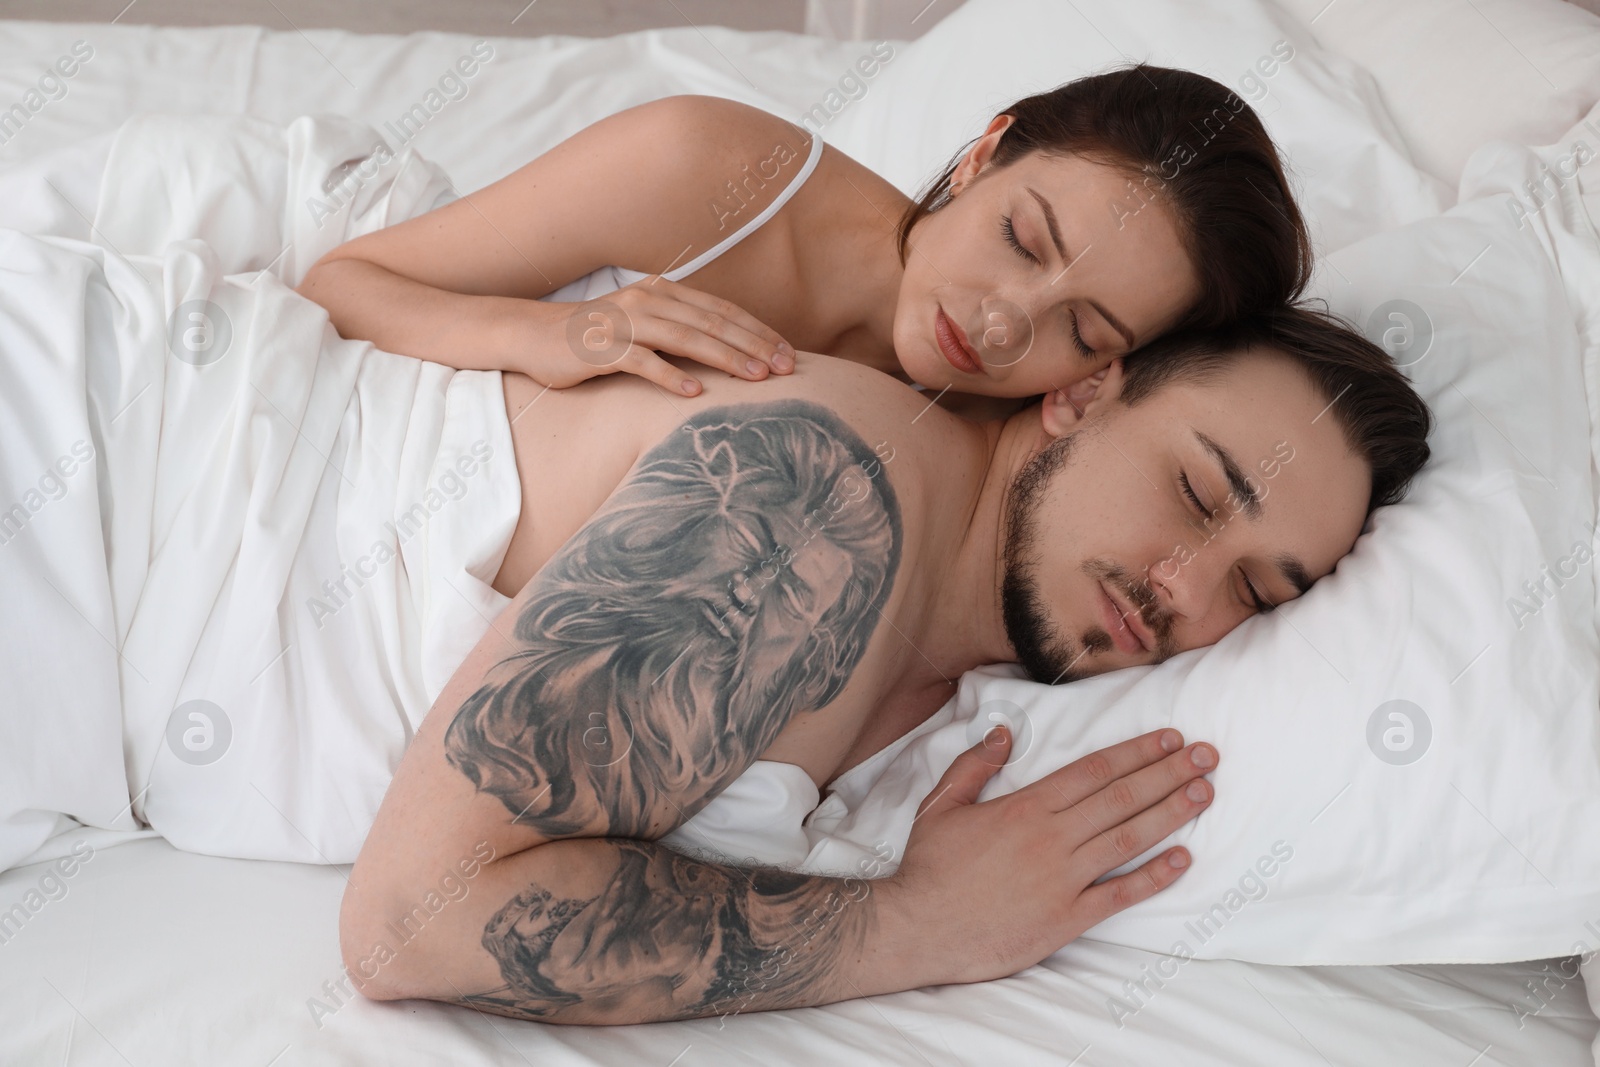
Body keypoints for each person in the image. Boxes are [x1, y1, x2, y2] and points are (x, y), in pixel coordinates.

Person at [337, 305, 1431, 1024]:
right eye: (1194, 494)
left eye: (1254, 590)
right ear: (1086, 392)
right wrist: (916, 923)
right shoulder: (820, 496)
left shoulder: (964, 682)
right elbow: (407, 924)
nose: (1184, 588)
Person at [294, 65, 1310, 418]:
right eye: (1020, 238)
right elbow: (339, 284)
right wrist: (567, 336)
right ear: (984, 156)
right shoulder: (699, 169)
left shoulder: (1007, 420)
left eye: (1084, 330)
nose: (1005, 323)